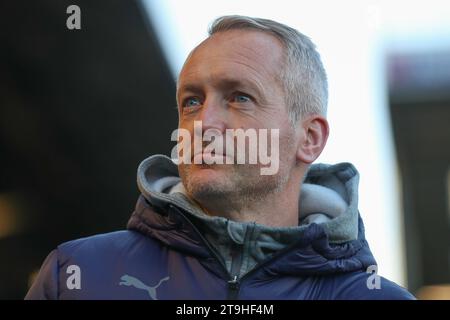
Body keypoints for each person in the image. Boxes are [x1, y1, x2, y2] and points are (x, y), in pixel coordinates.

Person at [26, 15, 415, 300]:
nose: (202, 124)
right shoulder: (75, 274)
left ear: (309, 139)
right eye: (192, 101)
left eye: (239, 98)